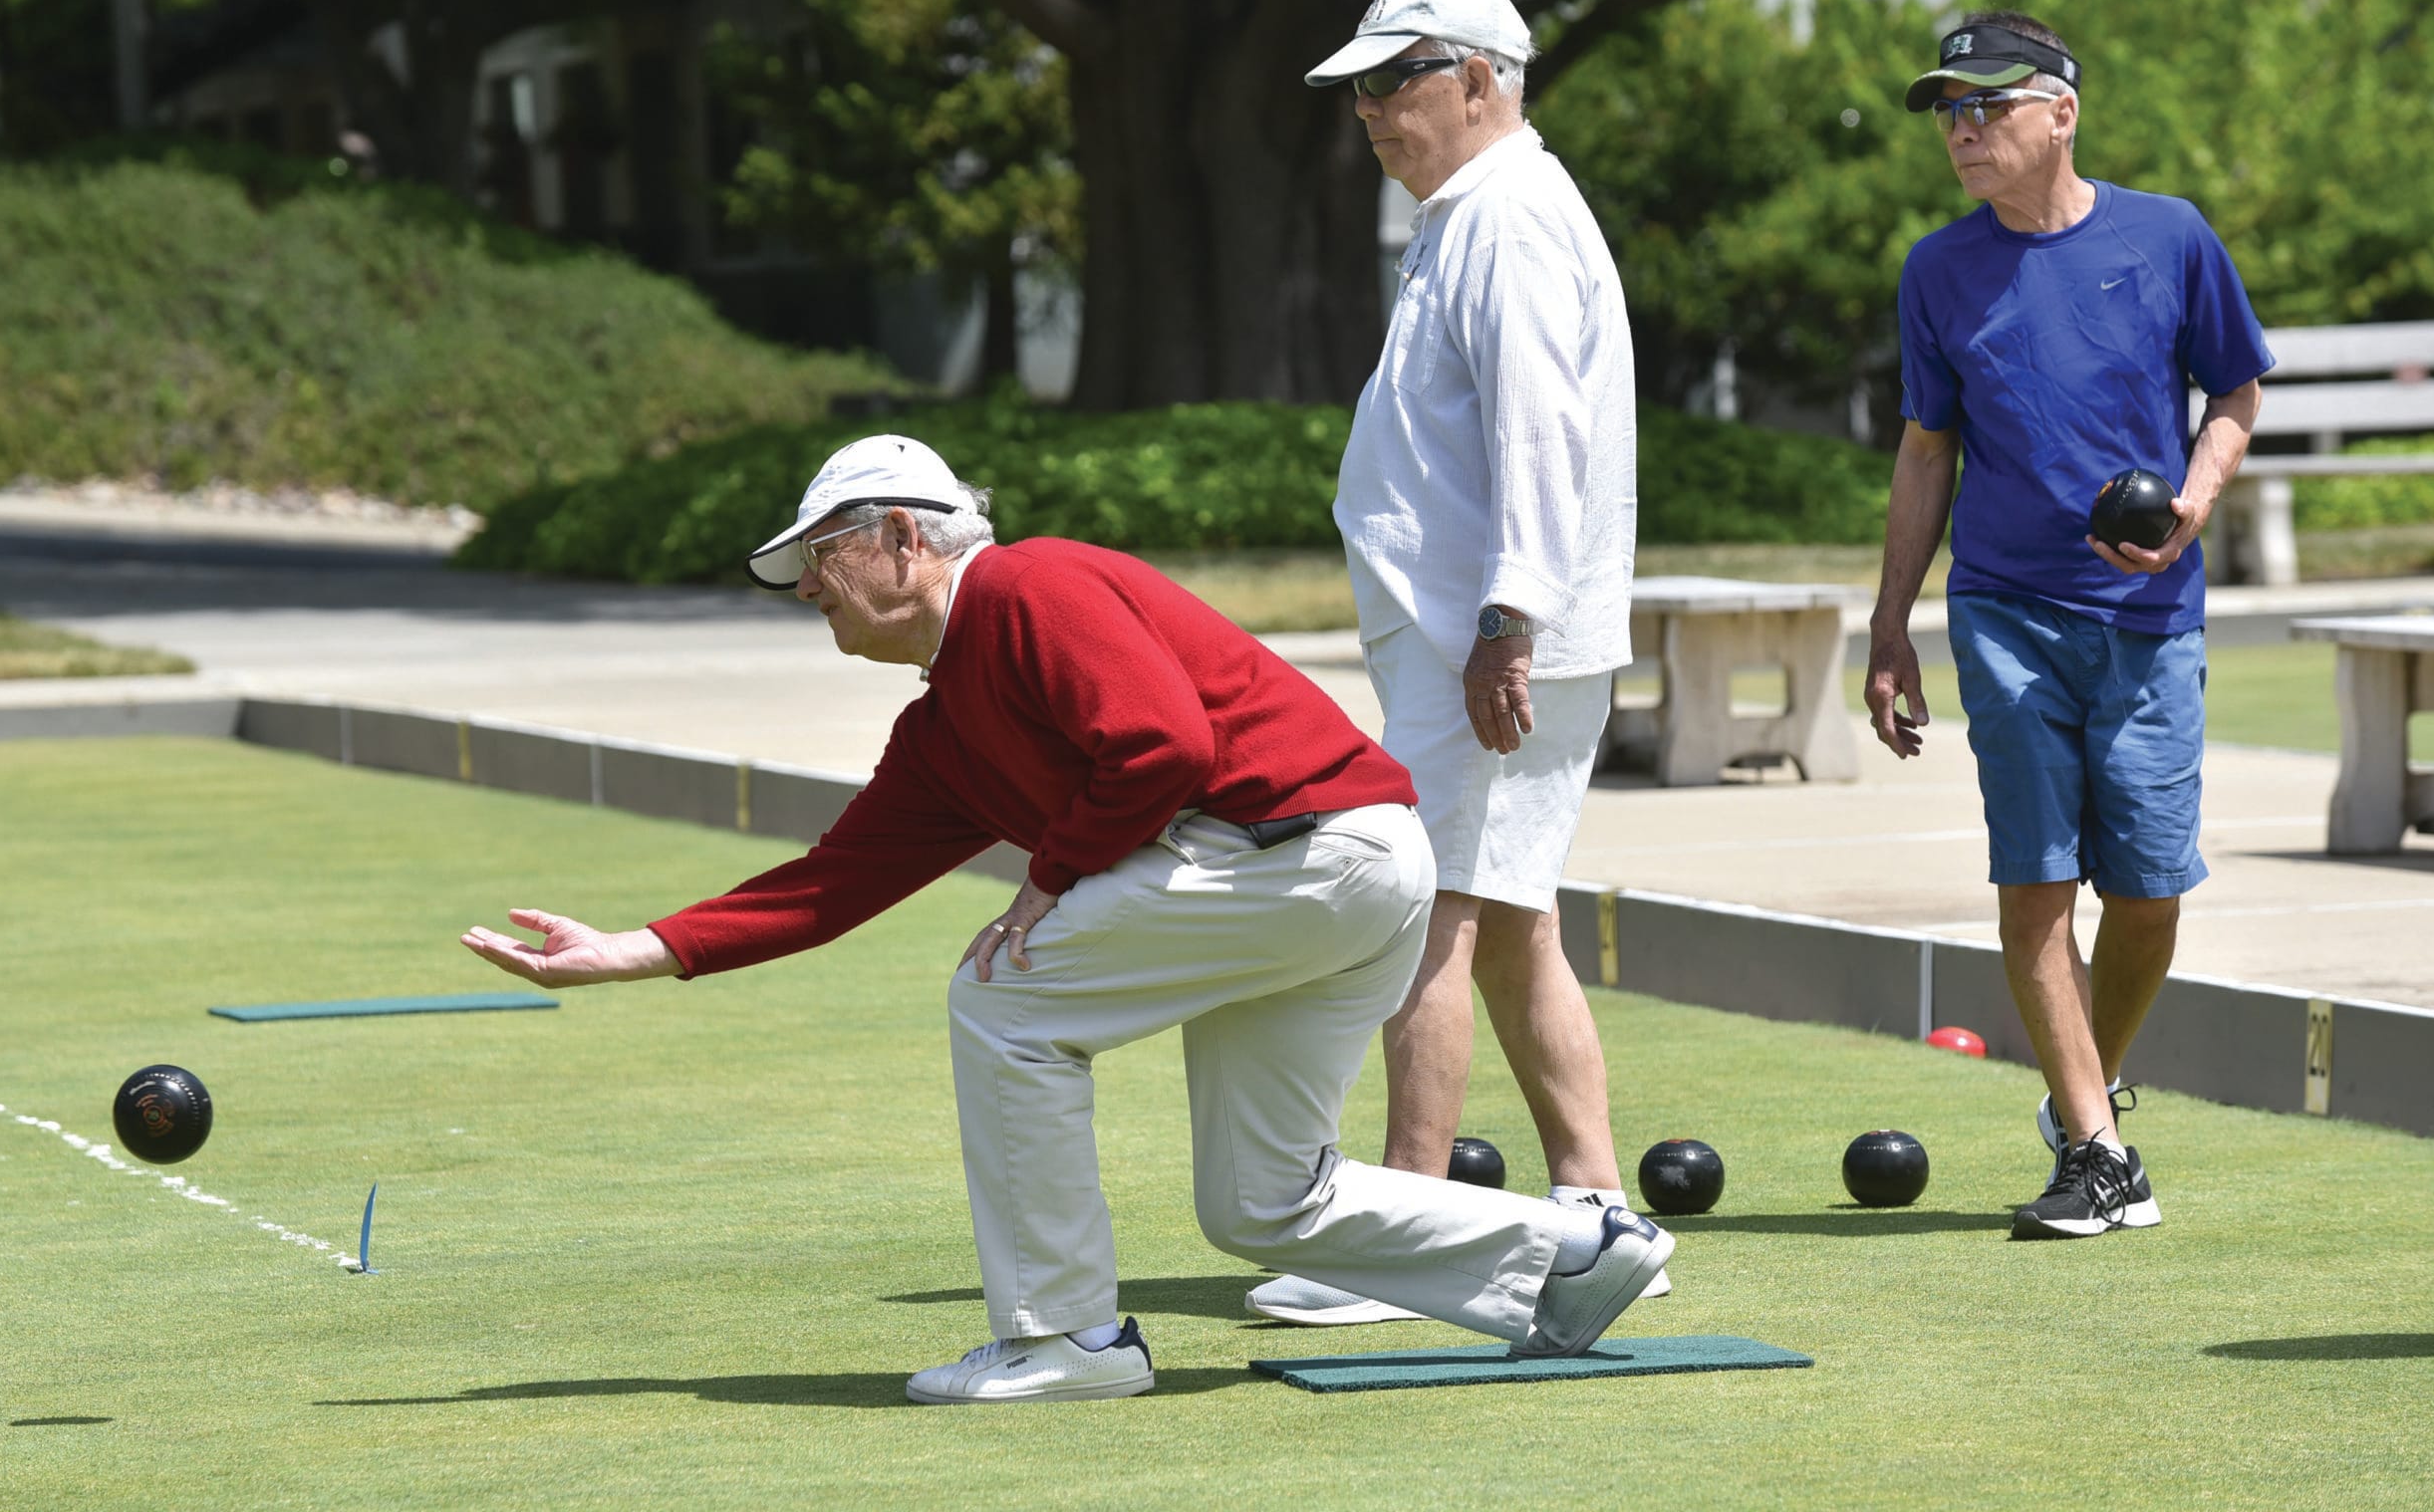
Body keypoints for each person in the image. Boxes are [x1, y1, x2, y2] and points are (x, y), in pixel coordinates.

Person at [460, 434, 1675, 1402]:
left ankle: (1063, 1338)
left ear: (900, 538)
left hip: (1310, 856)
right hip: (1319, 876)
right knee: (1260, 1203)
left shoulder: (1029, 582)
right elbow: (831, 882)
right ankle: (1570, 1253)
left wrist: (1051, 875)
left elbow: (1159, 744)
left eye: (820, 563)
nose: (811, 596)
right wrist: (635, 950)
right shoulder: (939, 732)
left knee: (1002, 996)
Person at [1246, 0, 1654, 1328]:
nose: (1367, 111)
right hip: (1478, 635)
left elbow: (1541, 432)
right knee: (1509, 921)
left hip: (1489, 638)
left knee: (1428, 913)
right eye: (1357, 87)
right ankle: (1595, 1201)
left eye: (1390, 80)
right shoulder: (1474, 215)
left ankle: (1412, 1233)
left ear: (1478, 79)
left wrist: (1504, 621)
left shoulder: (1512, 222)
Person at [1864, 14, 2269, 1239]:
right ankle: (2099, 1151)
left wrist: (2193, 505)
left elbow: (2234, 388)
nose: (1963, 129)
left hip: (2147, 613)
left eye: (1987, 105)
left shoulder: (2169, 235)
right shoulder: (1936, 270)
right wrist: (1890, 628)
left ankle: (2072, 1096)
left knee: (2147, 890)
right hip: (2000, 609)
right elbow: (1926, 448)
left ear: (2062, 112)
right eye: (1948, 110)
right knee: (2034, 879)